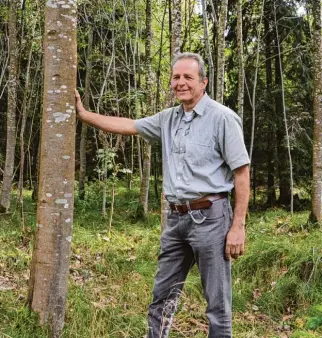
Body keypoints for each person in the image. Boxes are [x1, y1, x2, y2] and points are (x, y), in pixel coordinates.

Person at [75, 52, 250, 338]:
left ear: (203, 82)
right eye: (176, 77)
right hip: (175, 219)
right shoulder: (168, 119)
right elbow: (128, 125)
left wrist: (238, 226)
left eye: (188, 77)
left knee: (217, 304)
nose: (180, 83)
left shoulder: (223, 119)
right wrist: (84, 115)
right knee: (162, 296)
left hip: (211, 218)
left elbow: (242, 173)